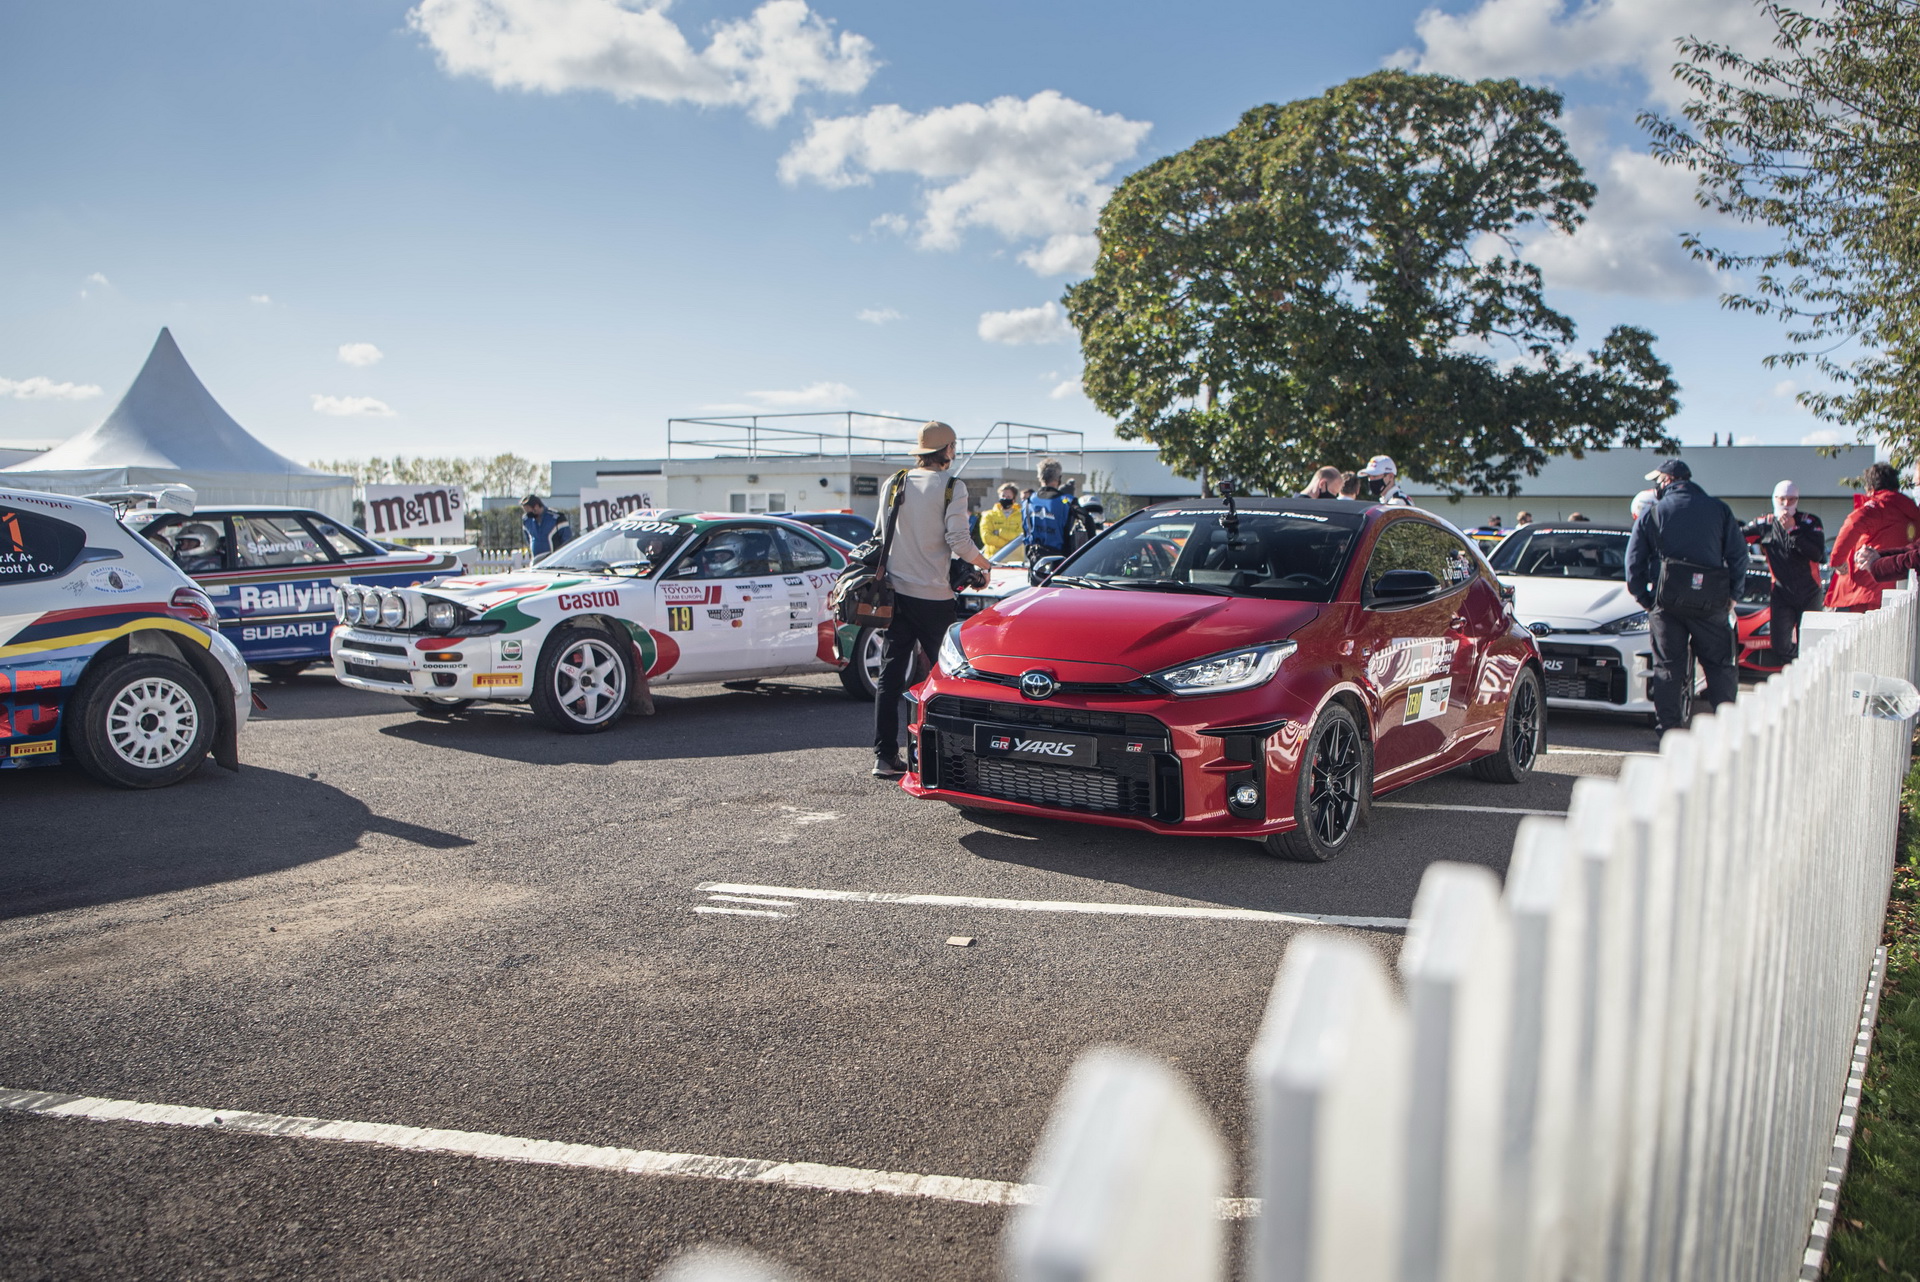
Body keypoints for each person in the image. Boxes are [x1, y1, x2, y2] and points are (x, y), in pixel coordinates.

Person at [871, 422, 993, 778]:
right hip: (934, 597)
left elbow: (881, 533)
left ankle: (884, 756)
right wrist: (984, 563)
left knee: (889, 677)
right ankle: (955, 761)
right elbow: (957, 539)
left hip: (896, 593)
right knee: (952, 677)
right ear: (948, 449)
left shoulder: (894, 483)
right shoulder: (952, 487)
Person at [1626, 459, 1748, 733]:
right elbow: (1739, 556)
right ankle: (1726, 727)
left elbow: (1633, 563)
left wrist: (1646, 600)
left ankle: (1670, 729)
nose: (1655, 487)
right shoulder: (1720, 510)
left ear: (1667, 481)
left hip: (1667, 603)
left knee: (1669, 668)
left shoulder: (1654, 513)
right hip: (1712, 602)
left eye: (1657, 481)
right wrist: (1734, 595)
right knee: (1719, 666)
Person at [1742, 481, 1825, 663]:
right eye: (1782, 499)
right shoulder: (1765, 523)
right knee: (1779, 645)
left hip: (1809, 591)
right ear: (1775, 499)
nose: (1786, 504)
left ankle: (1806, 670)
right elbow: (1738, 536)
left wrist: (1793, 530)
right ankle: (1797, 663)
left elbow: (1818, 555)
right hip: (1781, 593)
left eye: (1791, 499)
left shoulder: (1810, 522)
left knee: (1810, 643)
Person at [1826, 462, 1920, 612]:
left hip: (1866, 586)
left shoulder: (1877, 507)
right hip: (1901, 588)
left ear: (1870, 488)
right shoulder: (1913, 509)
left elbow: (1852, 525)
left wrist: (1837, 561)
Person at [1023, 459, 1078, 561]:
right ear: (1059, 478)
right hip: (1060, 561)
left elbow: (1026, 531)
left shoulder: (1028, 502)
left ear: (1039, 477)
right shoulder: (1067, 502)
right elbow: (1087, 523)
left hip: (1035, 560)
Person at [978, 483, 1023, 557]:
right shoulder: (989, 515)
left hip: (1015, 560)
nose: (1005, 498)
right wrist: (1009, 545)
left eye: (1008, 497)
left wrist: (999, 532)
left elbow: (1020, 537)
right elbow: (987, 538)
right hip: (993, 558)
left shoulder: (1021, 516)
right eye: (1003, 496)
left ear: (1014, 499)